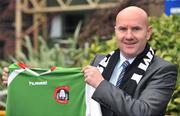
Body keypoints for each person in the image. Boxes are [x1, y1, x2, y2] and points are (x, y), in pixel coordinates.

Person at [2, 6, 178, 116]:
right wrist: (23, 79)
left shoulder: (163, 69)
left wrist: (101, 85)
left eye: (136, 29)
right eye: (123, 29)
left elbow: (143, 112)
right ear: (115, 31)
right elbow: (65, 91)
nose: (129, 36)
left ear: (148, 32)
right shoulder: (100, 61)